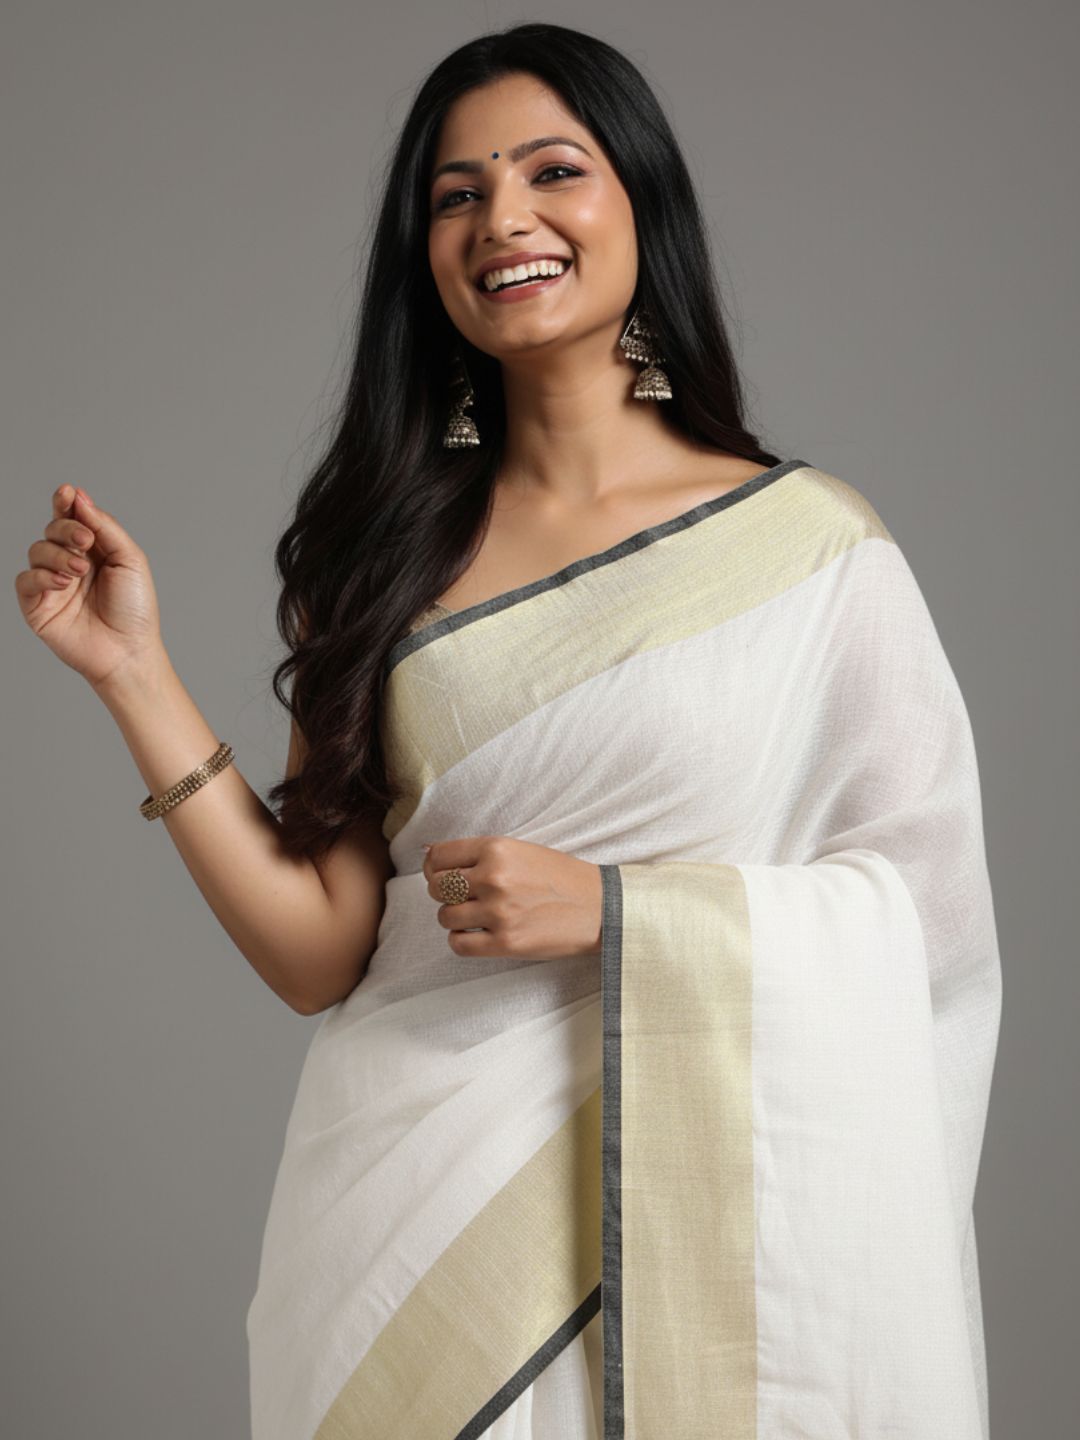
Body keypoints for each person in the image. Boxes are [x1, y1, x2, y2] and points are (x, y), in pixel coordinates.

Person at [15, 21, 1002, 1440]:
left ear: (642, 205)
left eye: (554, 171)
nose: (504, 221)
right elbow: (318, 952)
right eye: (457, 195)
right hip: (404, 1236)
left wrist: (619, 911)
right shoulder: (381, 561)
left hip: (703, 1220)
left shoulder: (814, 553)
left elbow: (927, 929)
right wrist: (132, 675)